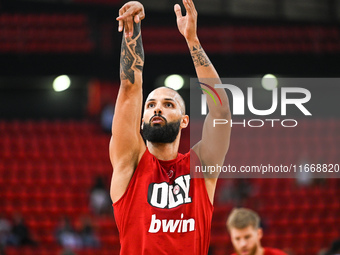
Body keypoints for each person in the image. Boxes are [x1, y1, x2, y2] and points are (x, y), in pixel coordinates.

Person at [110, 0, 231, 254]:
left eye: (168, 104)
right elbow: (130, 88)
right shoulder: (129, 162)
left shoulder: (201, 166)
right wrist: (133, 31)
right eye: (151, 105)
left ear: (185, 120)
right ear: (141, 120)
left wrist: (192, 41)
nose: (157, 109)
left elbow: (220, 110)